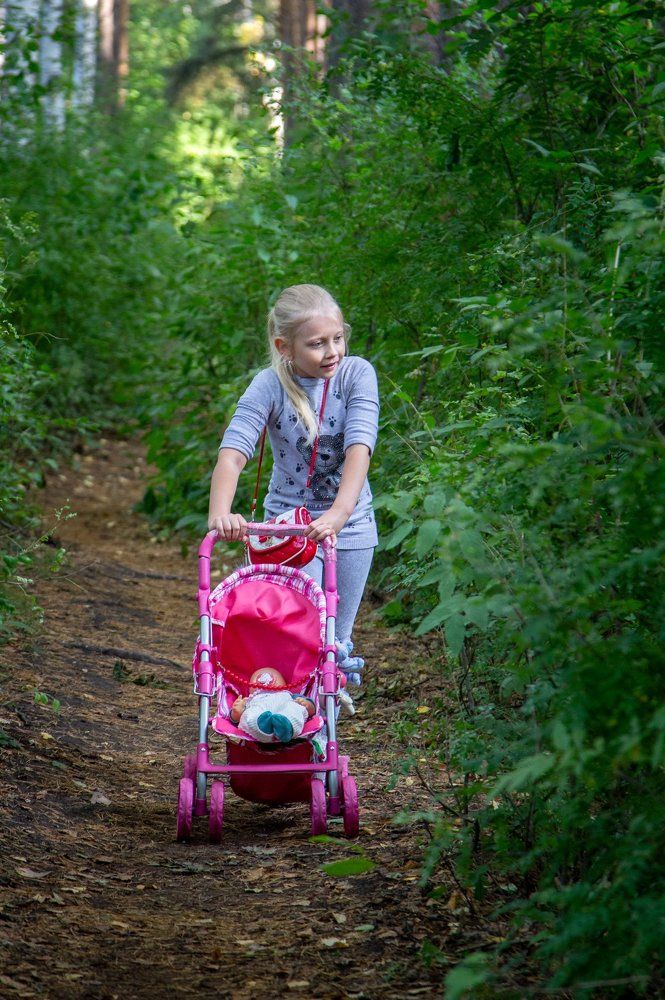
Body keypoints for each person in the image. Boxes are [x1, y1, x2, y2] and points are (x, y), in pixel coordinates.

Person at [208, 283, 379, 657]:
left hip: (350, 525)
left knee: (336, 642)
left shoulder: (356, 375)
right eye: (317, 343)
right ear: (285, 347)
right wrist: (220, 513)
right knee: (300, 634)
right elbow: (234, 451)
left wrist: (339, 514)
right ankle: (287, 706)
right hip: (288, 529)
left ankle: (324, 707)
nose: (332, 351)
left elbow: (359, 449)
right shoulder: (269, 385)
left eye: (337, 338)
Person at [230, 667, 316, 743]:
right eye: (257, 677)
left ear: (285, 685)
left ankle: (286, 726)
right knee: (249, 714)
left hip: (285, 708)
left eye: (272, 676)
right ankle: (262, 727)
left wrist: (307, 705)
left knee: (295, 708)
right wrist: (237, 712)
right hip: (259, 709)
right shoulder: (249, 700)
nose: (266, 681)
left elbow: (311, 711)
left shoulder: (290, 695)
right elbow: (236, 719)